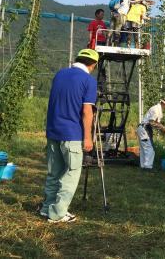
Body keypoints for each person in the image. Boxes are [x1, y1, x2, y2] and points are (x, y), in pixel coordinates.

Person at [39, 48, 99, 223]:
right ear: (93, 64)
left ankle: (46, 208)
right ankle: (57, 213)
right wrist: (88, 137)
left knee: (54, 173)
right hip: (72, 134)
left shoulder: (60, 74)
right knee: (71, 174)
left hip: (53, 131)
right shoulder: (88, 80)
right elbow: (87, 111)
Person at [137, 96, 165, 170]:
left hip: (144, 128)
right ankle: (148, 168)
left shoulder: (158, 109)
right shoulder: (156, 109)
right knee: (150, 150)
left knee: (144, 149)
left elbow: (156, 124)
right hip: (145, 129)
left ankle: (143, 167)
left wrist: (164, 130)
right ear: (164, 104)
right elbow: (152, 122)